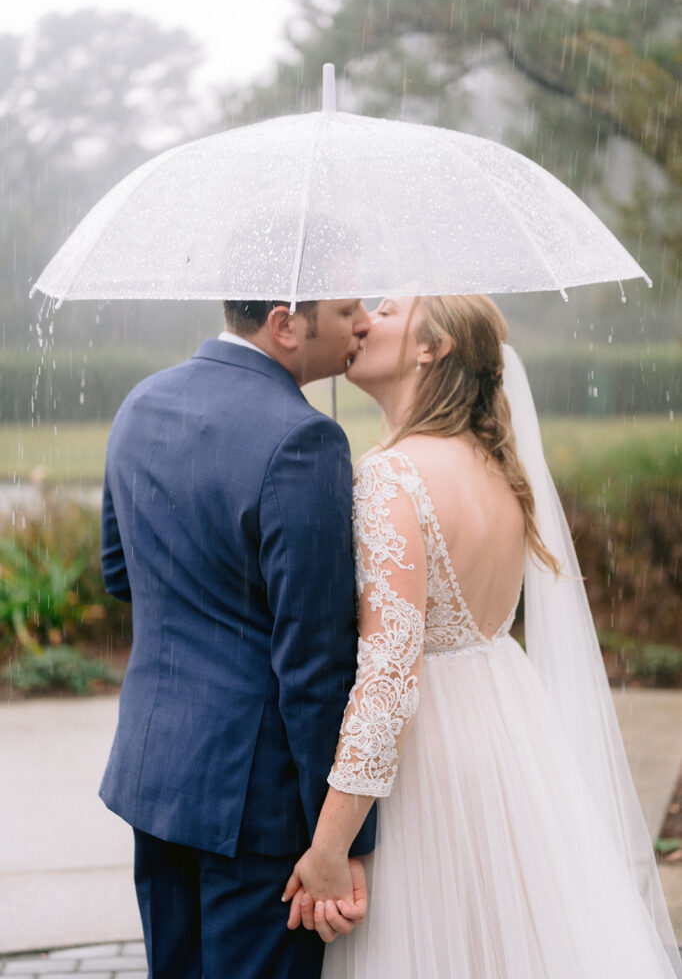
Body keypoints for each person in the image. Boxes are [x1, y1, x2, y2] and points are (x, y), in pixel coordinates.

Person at [283, 293, 682, 978]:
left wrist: (327, 847)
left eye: (386, 309)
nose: (363, 320)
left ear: (428, 347)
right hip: (506, 739)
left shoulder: (392, 476)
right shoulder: (496, 466)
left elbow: (386, 679)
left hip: (428, 764)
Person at [99, 296, 376, 979]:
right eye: (346, 310)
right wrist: (341, 840)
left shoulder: (141, 403)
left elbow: (119, 572)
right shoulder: (305, 440)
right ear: (285, 323)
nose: (363, 322)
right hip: (257, 807)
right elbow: (316, 669)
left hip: (155, 777)